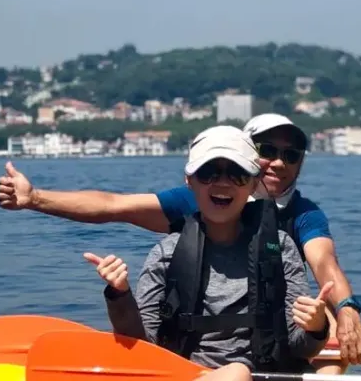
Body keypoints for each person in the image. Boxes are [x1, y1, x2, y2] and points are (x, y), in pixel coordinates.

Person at [0, 113, 361, 371]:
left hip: (274, 338)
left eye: (290, 155)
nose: (278, 162)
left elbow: (324, 264)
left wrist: (344, 311)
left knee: (326, 332)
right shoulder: (189, 213)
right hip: (200, 359)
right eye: (267, 150)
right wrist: (34, 198)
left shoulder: (302, 218)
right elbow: (113, 205)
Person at [82, 125, 330, 381]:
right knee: (235, 374)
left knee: (237, 373)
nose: (222, 182)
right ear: (189, 181)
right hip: (185, 375)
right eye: (208, 173)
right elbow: (143, 347)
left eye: (237, 174)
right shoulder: (167, 254)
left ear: (254, 184)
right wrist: (120, 296)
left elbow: (301, 348)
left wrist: (316, 327)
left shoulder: (280, 249)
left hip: (259, 375)